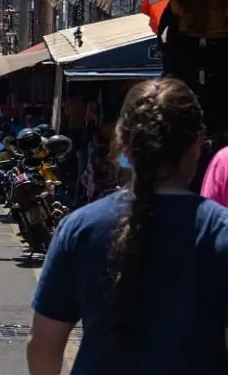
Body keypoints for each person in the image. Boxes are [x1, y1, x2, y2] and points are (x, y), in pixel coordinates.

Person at [28, 78, 228, 374]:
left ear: (122, 142)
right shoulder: (219, 232)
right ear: (198, 145)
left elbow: (43, 345)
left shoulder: (80, 229)